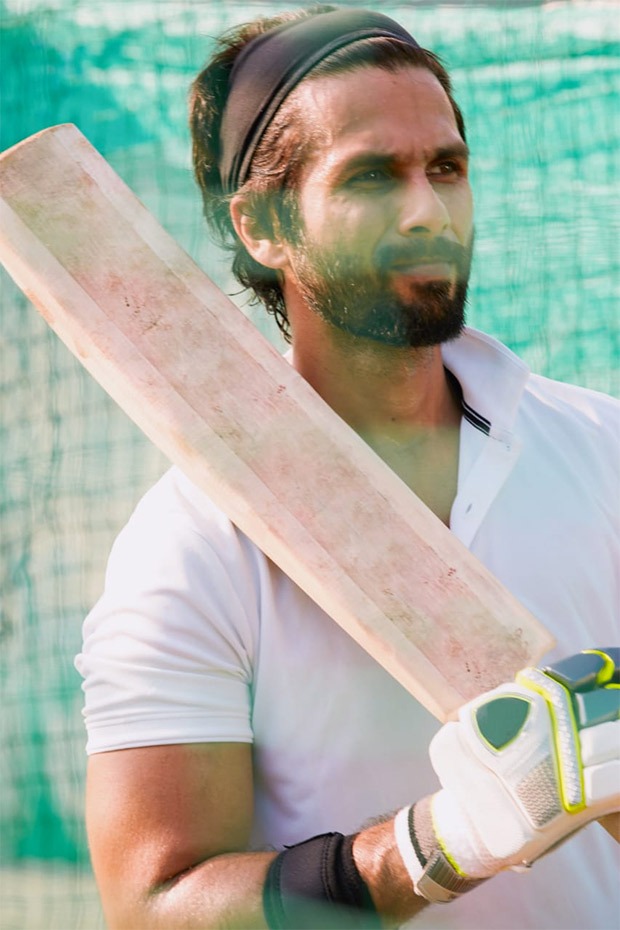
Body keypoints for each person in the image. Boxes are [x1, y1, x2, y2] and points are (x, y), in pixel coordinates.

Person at [75, 7, 620, 929]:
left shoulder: (602, 447)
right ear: (262, 225)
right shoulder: (194, 545)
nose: (428, 210)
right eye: (372, 175)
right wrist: (436, 845)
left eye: (445, 168)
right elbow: (153, 902)